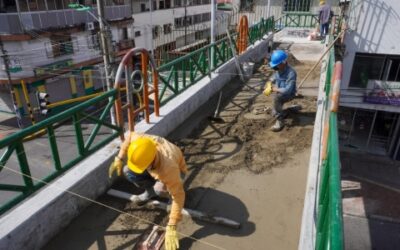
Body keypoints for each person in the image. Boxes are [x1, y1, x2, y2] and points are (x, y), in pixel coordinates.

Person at [109, 132, 188, 250]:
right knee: (128, 171)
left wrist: (172, 225)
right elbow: (129, 135)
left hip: (178, 172)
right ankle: (150, 192)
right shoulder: (142, 142)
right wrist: (119, 158)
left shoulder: (168, 168)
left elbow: (179, 196)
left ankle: (164, 194)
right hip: (154, 165)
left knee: (161, 189)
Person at [264, 50, 297, 132]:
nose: (275, 67)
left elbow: (288, 90)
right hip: (280, 93)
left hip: (289, 94)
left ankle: (280, 120)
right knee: (276, 102)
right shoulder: (279, 70)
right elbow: (273, 77)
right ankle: (284, 111)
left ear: (283, 62)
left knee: (277, 99)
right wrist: (269, 83)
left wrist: (273, 89)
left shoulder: (291, 73)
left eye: (277, 65)